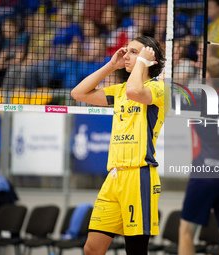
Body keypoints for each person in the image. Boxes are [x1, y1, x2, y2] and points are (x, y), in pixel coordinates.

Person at [71, 35, 168, 255]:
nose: (126, 55)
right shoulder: (120, 91)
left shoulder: (160, 90)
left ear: (149, 58)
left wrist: (142, 63)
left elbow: (136, 91)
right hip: (114, 176)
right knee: (92, 249)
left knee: (135, 250)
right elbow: (78, 93)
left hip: (139, 175)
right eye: (127, 51)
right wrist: (110, 65)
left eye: (134, 52)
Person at [178, 57, 219, 255]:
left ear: (207, 77)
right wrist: (213, 71)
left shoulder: (197, 100)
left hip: (204, 175)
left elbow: (173, 91)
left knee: (186, 233)